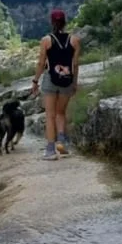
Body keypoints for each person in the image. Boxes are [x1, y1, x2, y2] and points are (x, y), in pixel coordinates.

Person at [31, 9, 81, 160]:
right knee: (61, 113)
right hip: (67, 80)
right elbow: (76, 64)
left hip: (50, 80)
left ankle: (51, 150)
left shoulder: (46, 40)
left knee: (50, 115)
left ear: (52, 22)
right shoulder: (75, 40)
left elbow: (41, 63)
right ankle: (62, 145)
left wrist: (35, 81)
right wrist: (74, 83)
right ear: (65, 22)